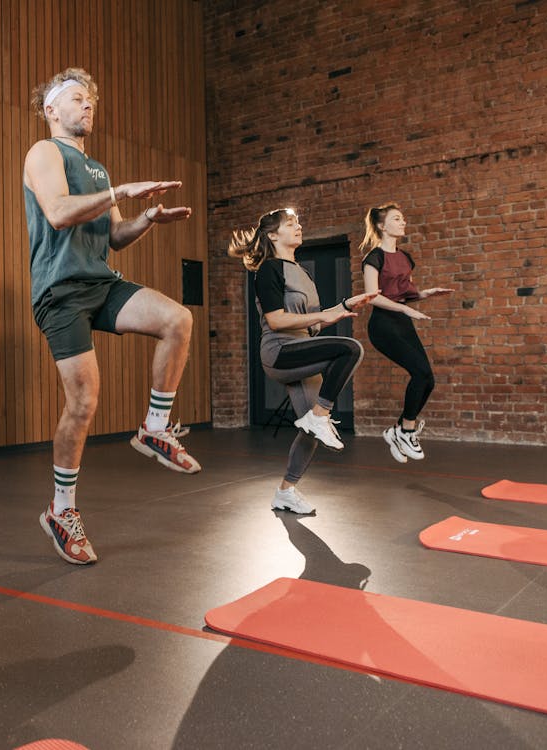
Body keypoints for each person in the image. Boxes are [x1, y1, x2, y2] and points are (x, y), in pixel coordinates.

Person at [23, 68, 201, 565]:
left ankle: (155, 427)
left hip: (100, 283)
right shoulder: (44, 153)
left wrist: (146, 218)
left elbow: (114, 236)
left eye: (91, 101)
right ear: (51, 110)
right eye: (77, 99)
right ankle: (61, 511)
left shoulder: (97, 169)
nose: (87, 106)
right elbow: (58, 212)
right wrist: (121, 193)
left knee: (178, 320)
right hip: (60, 292)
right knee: (84, 402)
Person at [229, 208, 373, 514]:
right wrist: (323, 314)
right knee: (350, 349)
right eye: (291, 224)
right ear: (272, 235)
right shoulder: (269, 270)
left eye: (298, 223)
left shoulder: (303, 274)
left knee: (310, 434)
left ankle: (286, 491)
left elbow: (313, 327)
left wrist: (344, 305)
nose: (299, 227)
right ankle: (320, 415)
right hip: (280, 352)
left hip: (302, 351)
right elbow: (278, 321)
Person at [358, 204, 453, 463]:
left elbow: (404, 293)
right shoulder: (373, 258)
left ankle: (398, 430)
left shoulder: (406, 258)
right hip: (383, 325)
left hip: (402, 321)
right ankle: (406, 430)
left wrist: (425, 294)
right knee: (420, 373)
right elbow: (372, 298)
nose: (403, 222)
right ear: (381, 225)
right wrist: (406, 310)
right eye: (396, 219)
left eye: (403, 218)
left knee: (428, 380)